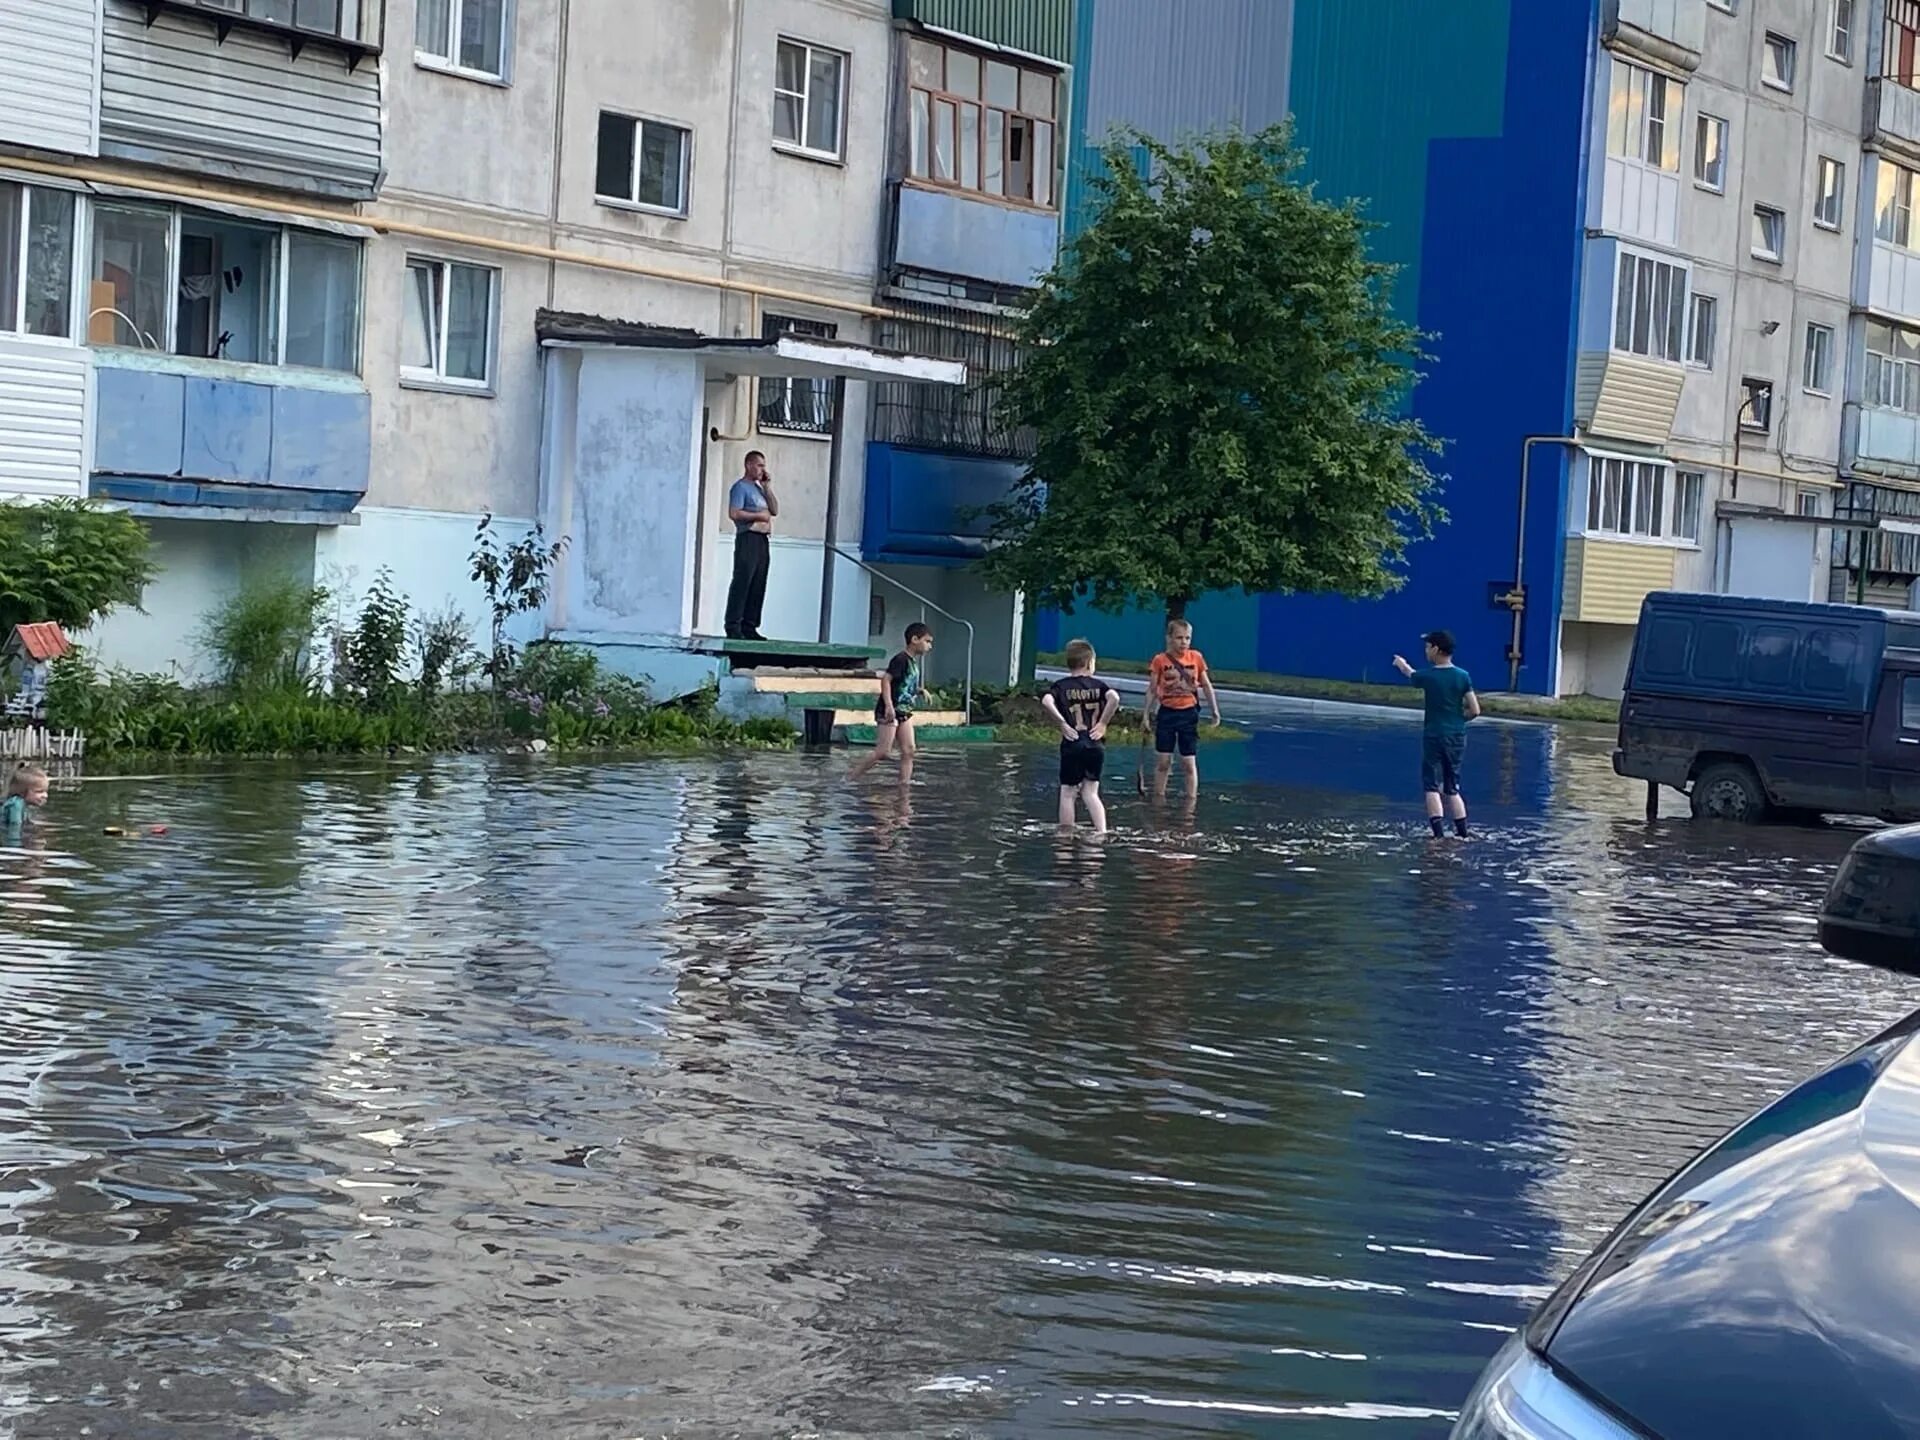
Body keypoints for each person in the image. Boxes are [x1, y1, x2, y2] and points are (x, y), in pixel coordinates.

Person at [1393, 628, 1481, 838]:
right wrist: (1459, 720)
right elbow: (1475, 710)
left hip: (1434, 736)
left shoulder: (1429, 677)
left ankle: (1438, 836)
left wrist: (1401, 664)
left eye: (1427, 647)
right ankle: (1462, 834)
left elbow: (1411, 674)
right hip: (1457, 736)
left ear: (1436, 649)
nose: (1425, 651)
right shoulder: (1463, 676)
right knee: (1452, 788)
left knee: (1431, 785)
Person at [1041, 638, 1122, 833]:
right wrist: (1103, 723)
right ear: (1089, 663)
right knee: (1091, 792)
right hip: (1095, 744)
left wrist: (1061, 723)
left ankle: (1066, 837)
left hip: (1072, 743)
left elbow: (1046, 701)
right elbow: (1115, 698)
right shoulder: (1100, 685)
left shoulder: (1061, 686)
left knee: (1068, 792)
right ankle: (1101, 831)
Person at [1144, 619, 1220, 799]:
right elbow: (1152, 689)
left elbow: (1206, 685)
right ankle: (1159, 797)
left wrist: (1214, 710)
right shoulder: (1160, 660)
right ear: (1169, 638)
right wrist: (1146, 714)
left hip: (1188, 713)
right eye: (1179, 638)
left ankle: (1191, 800)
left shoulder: (1196, 658)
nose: (1184, 642)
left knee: (1188, 762)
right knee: (1163, 761)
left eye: (1187, 638)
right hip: (1167, 713)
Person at [849, 622, 933, 785]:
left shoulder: (913, 663)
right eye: (927, 641)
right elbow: (887, 680)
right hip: (890, 710)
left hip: (904, 711)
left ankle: (904, 782)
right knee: (883, 751)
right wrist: (888, 705)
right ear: (915, 639)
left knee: (909, 750)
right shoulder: (900, 659)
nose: (930, 646)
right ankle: (850, 778)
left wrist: (920, 691)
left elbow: (904, 685)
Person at [724, 450, 778, 640]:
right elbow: (734, 513)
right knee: (743, 580)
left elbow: (774, 510)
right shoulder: (740, 488)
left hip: (763, 539)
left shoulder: (759, 489)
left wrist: (767, 487)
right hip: (748, 537)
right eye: (759, 465)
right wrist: (758, 516)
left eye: (763, 465)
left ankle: (750, 625)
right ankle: (734, 625)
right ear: (749, 465)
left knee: (758, 582)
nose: (762, 469)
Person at [1, 762, 47, 830]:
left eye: (45, 791)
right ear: (22, 792)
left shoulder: (22, 804)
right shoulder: (16, 805)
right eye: (39, 791)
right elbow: (15, 829)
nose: (45, 795)